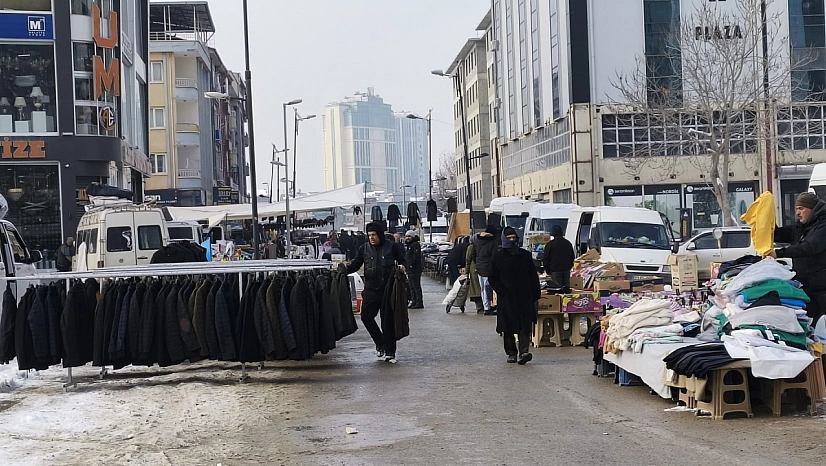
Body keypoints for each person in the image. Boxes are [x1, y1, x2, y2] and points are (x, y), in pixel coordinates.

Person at [347, 222, 408, 363]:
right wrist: (342, 270)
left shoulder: (391, 247)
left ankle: (390, 352)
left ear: (379, 234)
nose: (371, 238)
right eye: (369, 235)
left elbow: (403, 261)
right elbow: (356, 264)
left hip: (388, 289)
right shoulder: (364, 248)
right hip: (370, 289)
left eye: (374, 235)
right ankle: (380, 343)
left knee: (388, 322)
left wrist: (402, 267)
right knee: (366, 317)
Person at [770, 192, 826, 322]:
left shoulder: (823, 226)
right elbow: (779, 234)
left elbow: (810, 246)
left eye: (801, 208)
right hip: (806, 286)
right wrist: (766, 221)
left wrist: (779, 253)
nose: (797, 213)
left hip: (822, 289)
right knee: (810, 323)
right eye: (796, 209)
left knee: (821, 324)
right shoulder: (800, 227)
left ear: (812, 209)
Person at [488, 227, 541, 364]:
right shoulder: (498, 256)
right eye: (509, 238)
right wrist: (502, 292)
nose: (512, 240)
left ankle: (524, 352)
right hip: (507, 298)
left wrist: (535, 294)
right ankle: (511, 352)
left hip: (524, 296)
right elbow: (492, 277)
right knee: (508, 327)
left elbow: (532, 276)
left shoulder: (524, 255)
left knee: (525, 325)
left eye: (514, 237)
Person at [472, 225, 500, 315]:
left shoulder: (477, 241)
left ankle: (486, 306)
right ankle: (489, 308)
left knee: (483, 288)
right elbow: (495, 257)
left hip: (480, 267)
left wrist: (477, 263)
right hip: (489, 268)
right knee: (489, 287)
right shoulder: (493, 242)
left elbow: (473, 254)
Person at [542, 225, 575, 289]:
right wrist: (569, 266)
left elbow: (545, 258)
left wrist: (547, 270)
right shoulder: (568, 243)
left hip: (555, 270)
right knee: (566, 289)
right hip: (566, 269)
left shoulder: (550, 244)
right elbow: (572, 257)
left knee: (557, 289)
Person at [405, 230, 424, 309]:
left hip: (414, 269)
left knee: (416, 286)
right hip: (410, 269)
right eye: (406, 236)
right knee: (411, 286)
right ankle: (414, 301)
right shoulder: (409, 245)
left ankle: (419, 302)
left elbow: (416, 256)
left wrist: (411, 264)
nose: (407, 238)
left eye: (409, 236)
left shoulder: (415, 245)